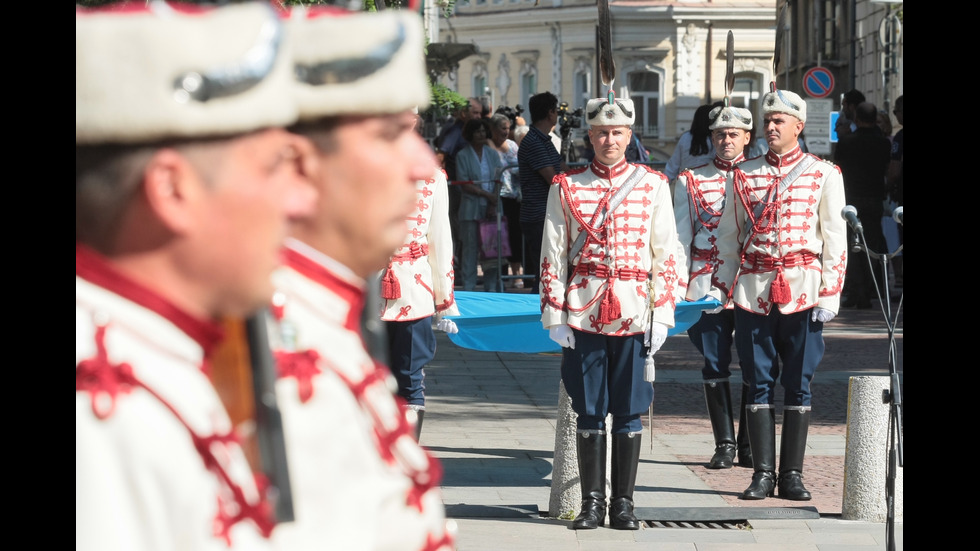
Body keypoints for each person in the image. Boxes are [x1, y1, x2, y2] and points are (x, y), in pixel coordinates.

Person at [76, 3, 317, 549]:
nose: (301, 198)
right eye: (274, 165)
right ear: (172, 190)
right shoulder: (102, 411)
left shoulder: (152, 356)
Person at [269, 7, 455, 550]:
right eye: (389, 135)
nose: (421, 164)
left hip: (411, 289)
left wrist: (441, 295)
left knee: (409, 378)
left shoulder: (324, 311)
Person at [540, 94, 685, 530]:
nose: (609, 139)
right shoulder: (566, 187)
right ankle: (591, 503)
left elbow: (667, 256)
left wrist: (663, 314)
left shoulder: (653, 184)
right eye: (601, 132)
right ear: (590, 136)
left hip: (636, 310)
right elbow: (552, 255)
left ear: (629, 136)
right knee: (588, 408)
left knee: (628, 408)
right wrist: (554, 315)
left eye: (617, 132)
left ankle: (623, 504)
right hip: (584, 311)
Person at [715, 84, 847, 502]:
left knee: (798, 384)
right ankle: (762, 473)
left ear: (799, 126)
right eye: (767, 120)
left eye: (778, 121)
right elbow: (728, 239)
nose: (770, 126)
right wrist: (724, 290)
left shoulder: (824, 174)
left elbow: (835, 239)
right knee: (756, 382)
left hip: (803, 290)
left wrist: (829, 296)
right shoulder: (743, 173)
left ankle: (792, 474)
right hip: (754, 291)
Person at [673, 103, 756, 470]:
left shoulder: (763, 177)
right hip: (706, 285)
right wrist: (677, 286)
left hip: (753, 284)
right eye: (720, 134)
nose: (726, 140)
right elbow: (679, 236)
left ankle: (751, 442)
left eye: (733, 134)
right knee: (714, 363)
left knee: (758, 364)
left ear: (746, 138)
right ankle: (724, 443)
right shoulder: (691, 180)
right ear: (711, 138)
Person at [379, 113, 460, 441]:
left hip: (413, 289)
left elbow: (440, 239)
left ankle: (405, 463)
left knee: (410, 378)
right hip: (366, 290)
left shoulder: (432, 176)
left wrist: (444, 301)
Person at [834, 101, 890, 309]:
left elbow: (838, 169)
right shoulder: (883, 143)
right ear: (875, 119)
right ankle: (869, 289)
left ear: (856, 119)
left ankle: (857, 292)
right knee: (872, 246)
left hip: (851, 199)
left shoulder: (847, 142)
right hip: (875, 198)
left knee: (853, 246)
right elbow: (887, 169)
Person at [518, 91, 567, 294]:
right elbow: (553, 178)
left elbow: (561, 168)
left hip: (546, 213)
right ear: (550, 113)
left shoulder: (544, 140)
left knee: (550, 266)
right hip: (538, 215)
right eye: (556, 111)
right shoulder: (534, 142)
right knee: (544, 268)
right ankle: (537, 313)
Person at [456, 118, 503, 291]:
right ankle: (469, 287)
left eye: (483, 131)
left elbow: (500, 178)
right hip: (471, 208)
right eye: (477, 131)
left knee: (492, 251)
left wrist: (493, 200)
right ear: (470, 134)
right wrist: (486, 195)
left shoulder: (492, 154)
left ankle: (491, 288)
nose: (481, 134)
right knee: (470, 249)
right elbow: (463, 182)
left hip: (492, 208)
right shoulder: (463, 155)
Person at [489, 112, 525, 288]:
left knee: (514, 236)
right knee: (497, 236)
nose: (505, 132)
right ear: (493, 129)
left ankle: (517, 273)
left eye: (508, 128)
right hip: (496, 197)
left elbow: (521, 166)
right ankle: (498, 276)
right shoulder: (488, 146)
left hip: (513, 197)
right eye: (502, 128)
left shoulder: (512, 145)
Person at [664, 102, 721, 182]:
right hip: (707, 184)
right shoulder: (714, 139)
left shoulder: (685, 137)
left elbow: (673, 166)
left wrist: (664, 184)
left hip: (686, 182)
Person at [887, 95, 904, 287]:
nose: (895, 116)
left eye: (896, 111)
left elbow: (894, 168)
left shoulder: (900, 137)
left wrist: (888, 186)